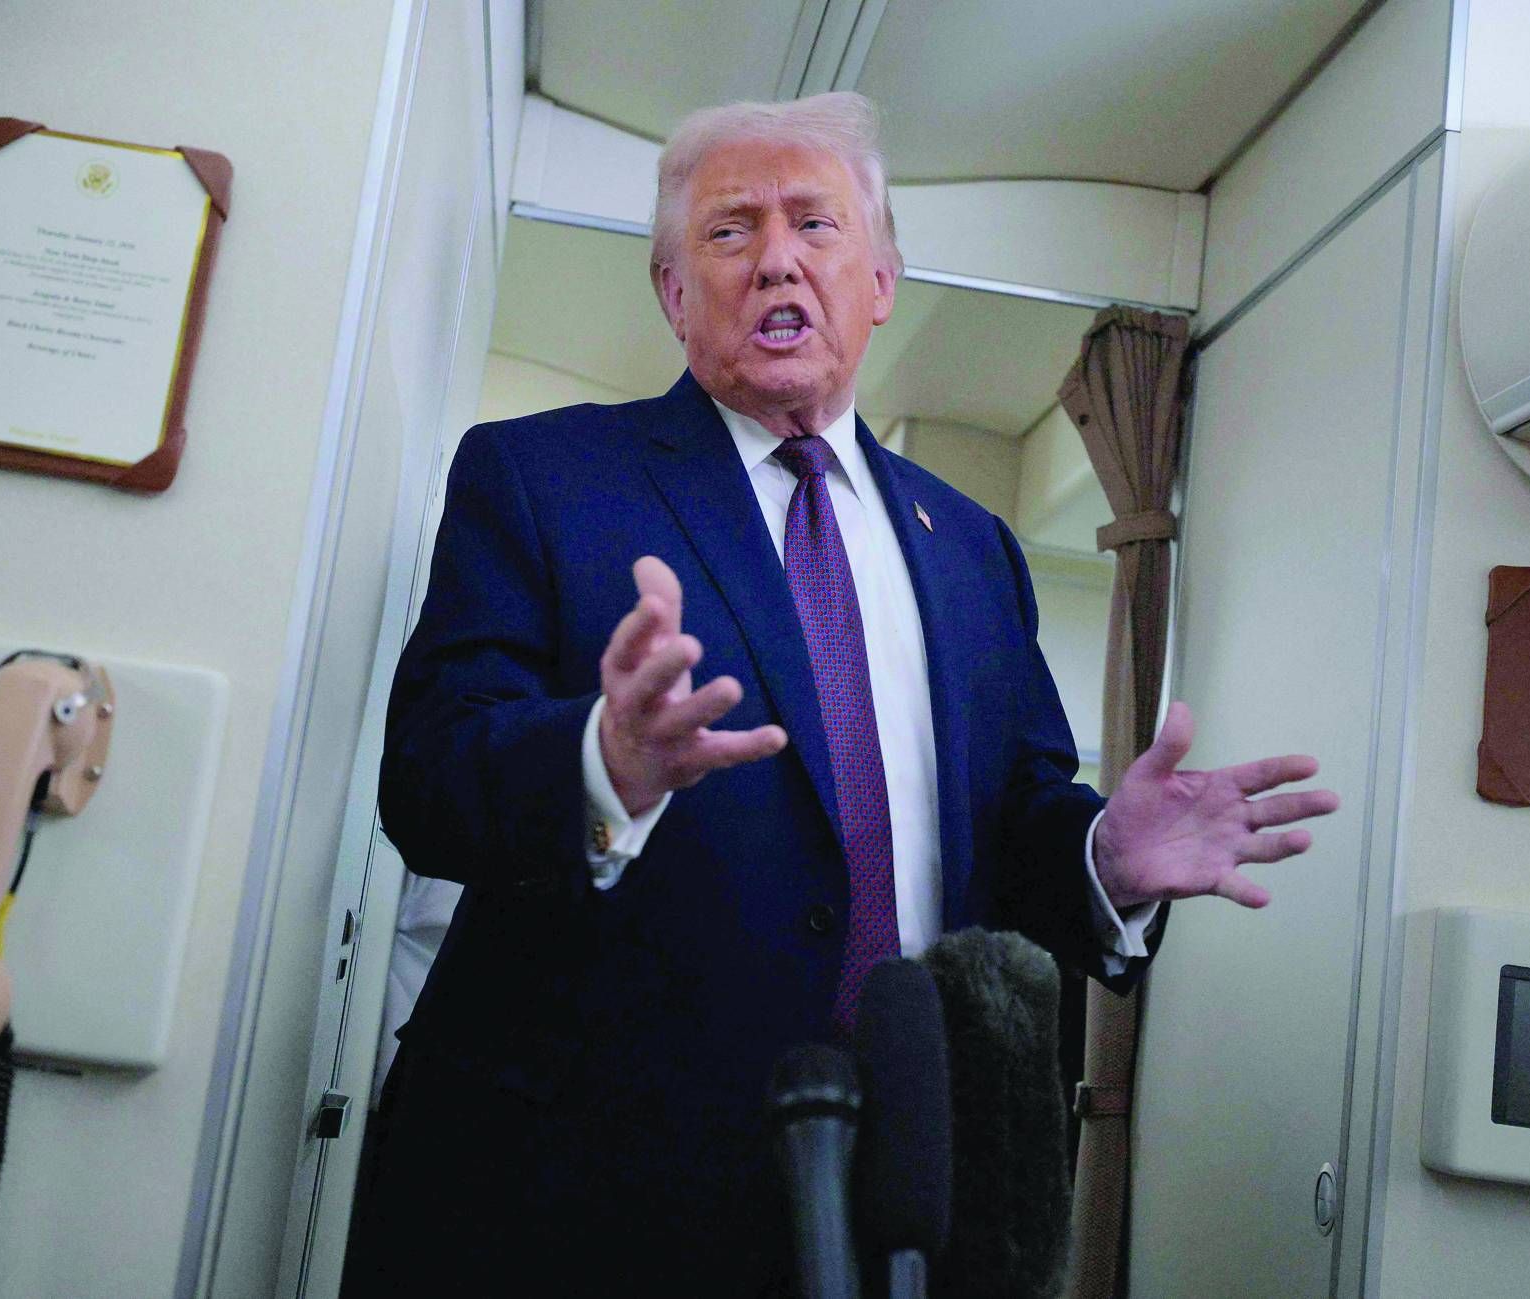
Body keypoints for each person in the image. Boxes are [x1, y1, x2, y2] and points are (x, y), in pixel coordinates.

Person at [345, 92, 1337, 1297]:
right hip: (570, 1192)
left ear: (879, 281)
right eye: (729, 230)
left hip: (890, 1185)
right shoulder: (541, 475)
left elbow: (1015, 820)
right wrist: (603, 762)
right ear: (671, 291)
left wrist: (1102, 862)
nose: (775, 258)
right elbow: (427, 779)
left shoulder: (972, 548)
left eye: (814, 224)